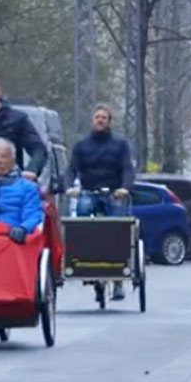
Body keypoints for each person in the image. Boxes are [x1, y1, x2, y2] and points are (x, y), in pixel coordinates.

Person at [65, 104, 135, 299]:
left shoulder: (120, 145)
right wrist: (70, 187)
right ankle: (83, 260)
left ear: (109, 121)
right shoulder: (81, 145)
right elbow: (71, 169)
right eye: (97, 117)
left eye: (104, 117)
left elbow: (128, 169)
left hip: (113, 193)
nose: (100, 120)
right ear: (92, 120)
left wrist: (124, 188)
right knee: (83, 218)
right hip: (88, 191)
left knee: (117, 227)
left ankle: (119, 278)